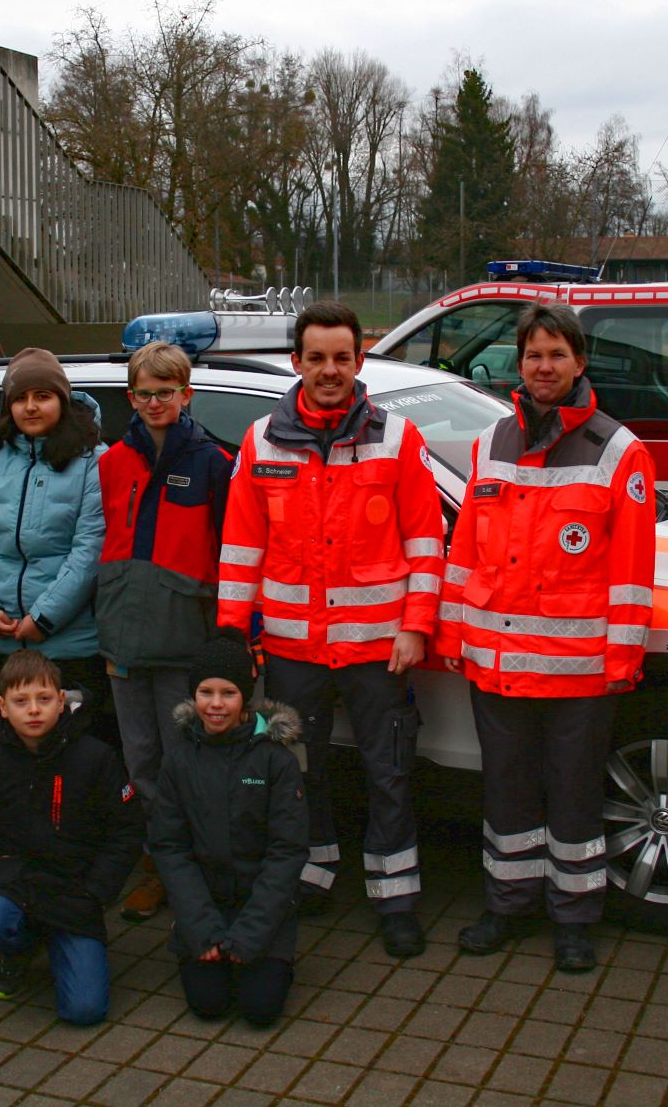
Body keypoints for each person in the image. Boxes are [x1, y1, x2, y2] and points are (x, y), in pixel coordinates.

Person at [216, 300, 446, 959]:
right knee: (298, 771)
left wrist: (416, 626)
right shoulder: (262, 442)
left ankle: (395, 895)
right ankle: (312, 874)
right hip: (292, 647)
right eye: (316, 358)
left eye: (341, 358)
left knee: (389, 772)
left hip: (381, 648)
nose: (329, 370)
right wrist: (236, 640)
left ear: (359, 360)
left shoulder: (397, 439)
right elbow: (240, 550)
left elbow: (426, 540)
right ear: (296, 362)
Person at [437, 303, 656, 973]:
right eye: (533, 354)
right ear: (519, 363)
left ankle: (575, 917)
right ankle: (508, 905)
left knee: (574, 795)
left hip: (579, 669)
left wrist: (622, 656)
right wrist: (453, 634)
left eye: (557, 354)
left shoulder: (620, 450)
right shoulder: (490, 443)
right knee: (506, 793)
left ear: (580, 362)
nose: (544, 367)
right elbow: (466, 550)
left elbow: (631, 572)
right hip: (497, 664)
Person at [97, 341, 233, 921]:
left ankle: (200, 868)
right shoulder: (111, 462)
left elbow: (230, 552)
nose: (156, 403)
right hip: (123, 639)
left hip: (183, 640)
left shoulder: (212, 464)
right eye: (145, 394)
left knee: (188, 758)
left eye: (167, 392)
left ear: (187, 394)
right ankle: (158, 864)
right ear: (131, 397)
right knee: (142, 760)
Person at [0, 650, 143, 1024]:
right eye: (21, 701)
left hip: (73, 891)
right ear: (3, 707)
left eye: (44, 699)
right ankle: (19, 947)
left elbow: (127, 829)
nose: (34, 710)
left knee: (85, 1011)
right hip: (13, 884)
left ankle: (59, 942)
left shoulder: (96, 757)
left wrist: (98, 890)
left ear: (61, 701)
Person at [147, 628, 307, 1026]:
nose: (216, 705)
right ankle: (196, 941)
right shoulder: (179, 760)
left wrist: (252, 934)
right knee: (208, 1004)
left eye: (228, 693)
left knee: (260, 1008)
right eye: (205, 693)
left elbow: (287, 851)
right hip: (205, 904)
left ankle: (268, 955)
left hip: (262, 909)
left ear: (245, 697)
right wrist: (200, 927)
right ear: (193, 695)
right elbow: (170, 847)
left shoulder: (278, 761)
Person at [0, 349, 107, 721]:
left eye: (42, 396)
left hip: (66, 648)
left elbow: (89, 551)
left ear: (62, 401)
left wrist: (44, 618)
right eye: (20, 398)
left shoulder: (93, 462)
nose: (31, 407)